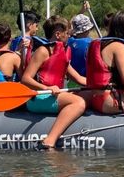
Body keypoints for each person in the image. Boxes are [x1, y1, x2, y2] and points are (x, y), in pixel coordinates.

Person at [21, 15, 87, 150]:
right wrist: (47, 87)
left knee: (87, 95)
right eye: (67, 33)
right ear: (58, 34)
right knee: (79, 102)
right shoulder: (42, 51)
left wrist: (103, 83)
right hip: (39, 97)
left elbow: (79, 79)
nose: (69, 36)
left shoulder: (62, 52)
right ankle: (50, 140)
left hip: (52, 96)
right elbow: (26, 79)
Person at [67, 3, 95, 88]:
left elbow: (71, 23)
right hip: (86, 82)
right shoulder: (91, 44)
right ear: (88, 29)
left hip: (72, 82)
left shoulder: (69, 41)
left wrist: (82, 11)